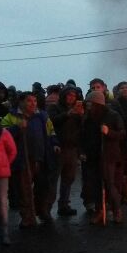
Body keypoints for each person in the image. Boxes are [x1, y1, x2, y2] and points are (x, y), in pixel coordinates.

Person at [0, 93, 60, 228]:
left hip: (42, 157)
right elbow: (2, 134)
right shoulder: (11, 116)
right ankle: (27, 216)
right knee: (24, 189)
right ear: (21, 102)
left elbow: (51, 132)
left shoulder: (43, 116)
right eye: (29, 101)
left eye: (35, 101)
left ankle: (42, 211)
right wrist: (17, 128)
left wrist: (55, 144)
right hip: (23, 159)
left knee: (43, 187)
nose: (33, 104)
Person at [80, 91, 126, 225]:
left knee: (109, 183)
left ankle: (117, 210)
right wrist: (82, 151)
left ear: (98, 104)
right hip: (92, 155)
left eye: (91, 103)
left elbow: (122, 134)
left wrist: (109, 132)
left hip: (108, 155)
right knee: (95, 184)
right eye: (87, 103)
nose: (88, 105)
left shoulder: (112, 115)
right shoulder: (88, 117)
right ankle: (99, 210)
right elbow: (83, 135)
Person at [48, 87, 84, 216]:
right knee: (53, 178)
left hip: (72, 148)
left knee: (69, 178)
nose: (71, 98)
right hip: (58, 148)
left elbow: (82, 129)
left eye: (74, 96)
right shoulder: (54, 108)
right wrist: (68, 113)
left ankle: (64, 205)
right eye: (69, 95)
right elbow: (52, 121)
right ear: (63, 96)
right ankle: (46, 207)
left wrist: (81, 116)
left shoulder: (78, 110)